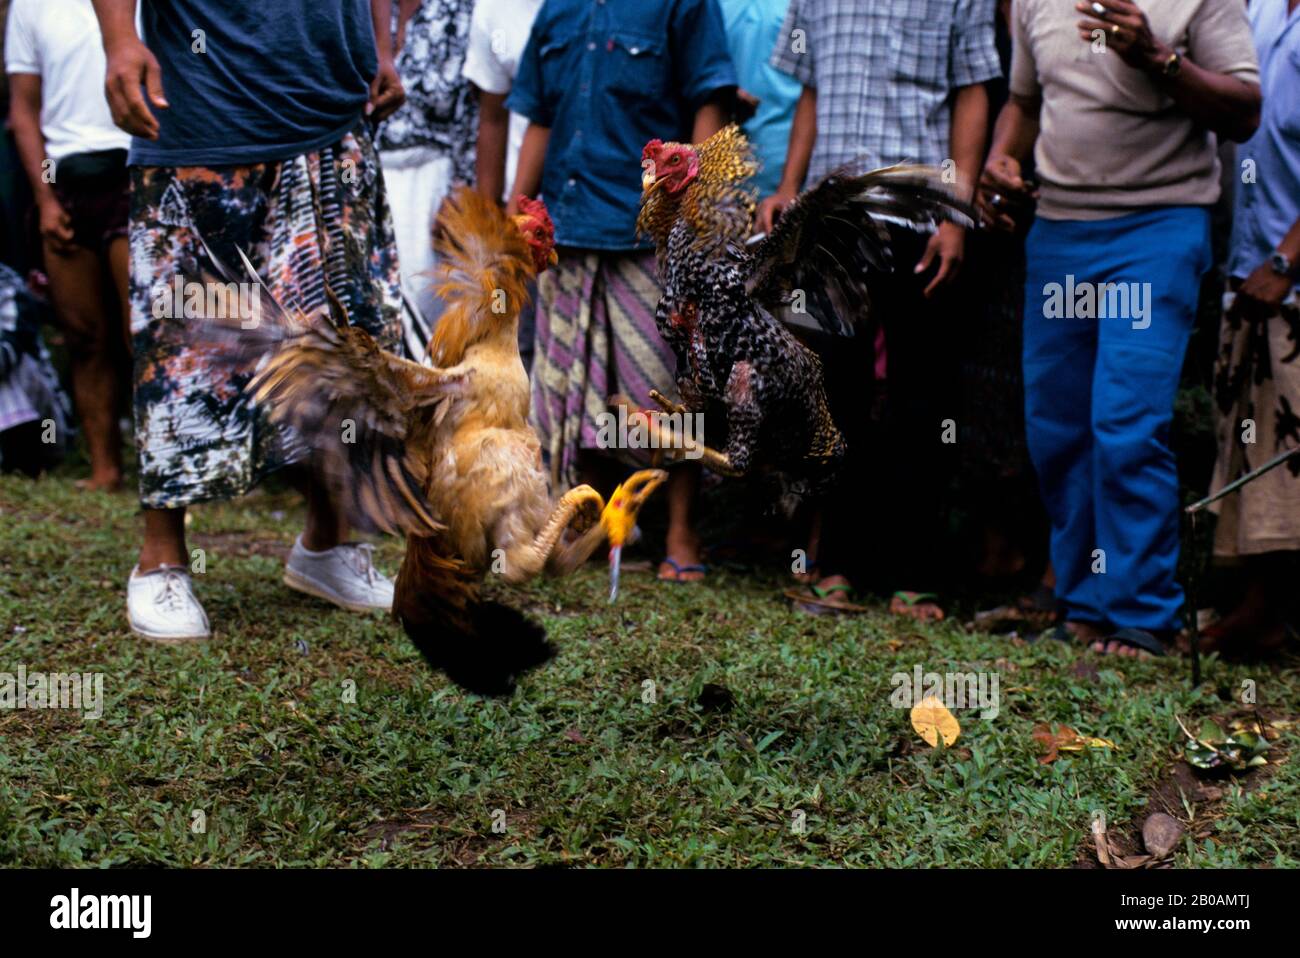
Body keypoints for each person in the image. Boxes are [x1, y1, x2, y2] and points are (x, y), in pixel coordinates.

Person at [91, 0, 407, 642]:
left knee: (343, 345)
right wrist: (120, 38)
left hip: (334, 113)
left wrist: (381, 43)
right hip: (207, 114)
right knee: (182, 351)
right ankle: (162, 560)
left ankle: (327, 547)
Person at [978, 0, 1261, 657]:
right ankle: (1083, 604)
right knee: (1059, 428)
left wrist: (1157, 57)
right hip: (1060, 233)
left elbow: (1245, 110)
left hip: (1157, 229)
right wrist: (1001, 160)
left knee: (1125, 421)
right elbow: (1022, 101)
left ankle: (1142, 615)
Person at [763, 0, 1001, 619]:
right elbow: (810, 90)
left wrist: (956, 211)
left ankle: (913, 576)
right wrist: (790, 187)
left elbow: (971, 93)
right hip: (834, 219)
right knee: (835, 393)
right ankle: (837, 566)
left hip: (916, 218)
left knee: (923, 399)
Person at [505, 0, 737, 584]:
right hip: (567, 225)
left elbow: (709, 101)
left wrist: (692, 209)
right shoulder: (557, 8)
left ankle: (681, 532)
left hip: (646, 232)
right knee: (565, 388)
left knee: (665, 387)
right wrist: (514, 210)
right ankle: (583, 523)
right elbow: (538, 117)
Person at [1204, 0, 1300, 660]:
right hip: (1248, 268)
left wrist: (1288, 259)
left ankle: (1271, 612)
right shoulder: (1258, 8)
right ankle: (1262, 609)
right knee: (1258, 440)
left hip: (1287, 271)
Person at [6, 0, 131, 491]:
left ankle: (172, 474)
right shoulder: (30, 7)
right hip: (64, 177)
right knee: (83, 336)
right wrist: (45, 196)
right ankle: (105, 468)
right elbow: (23, 108)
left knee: (142, 334)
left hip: (134, 167)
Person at [375, 0, 477, 356]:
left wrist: (462, 192)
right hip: (366, 169)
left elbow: (474, 106)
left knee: (423, 293)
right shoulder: (363, 9)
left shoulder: (458, 8)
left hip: (431, 175)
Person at [461, 0, 543, 368]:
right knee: (513, 353)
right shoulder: (494, 8)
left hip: (592, 208)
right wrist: (487, 229)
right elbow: (493, 119)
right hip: (520, 219)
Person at [716, 0, 800, 202]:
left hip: (783, 175)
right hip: (719, 181)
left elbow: (805, 69)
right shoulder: (712, 7)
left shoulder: (799, 9)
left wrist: (790, 184)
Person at [0, 261, 69, 474]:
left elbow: (12, 347)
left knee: (45, 424)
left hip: (37, 413)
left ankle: (40, 460)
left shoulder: (7, 283)